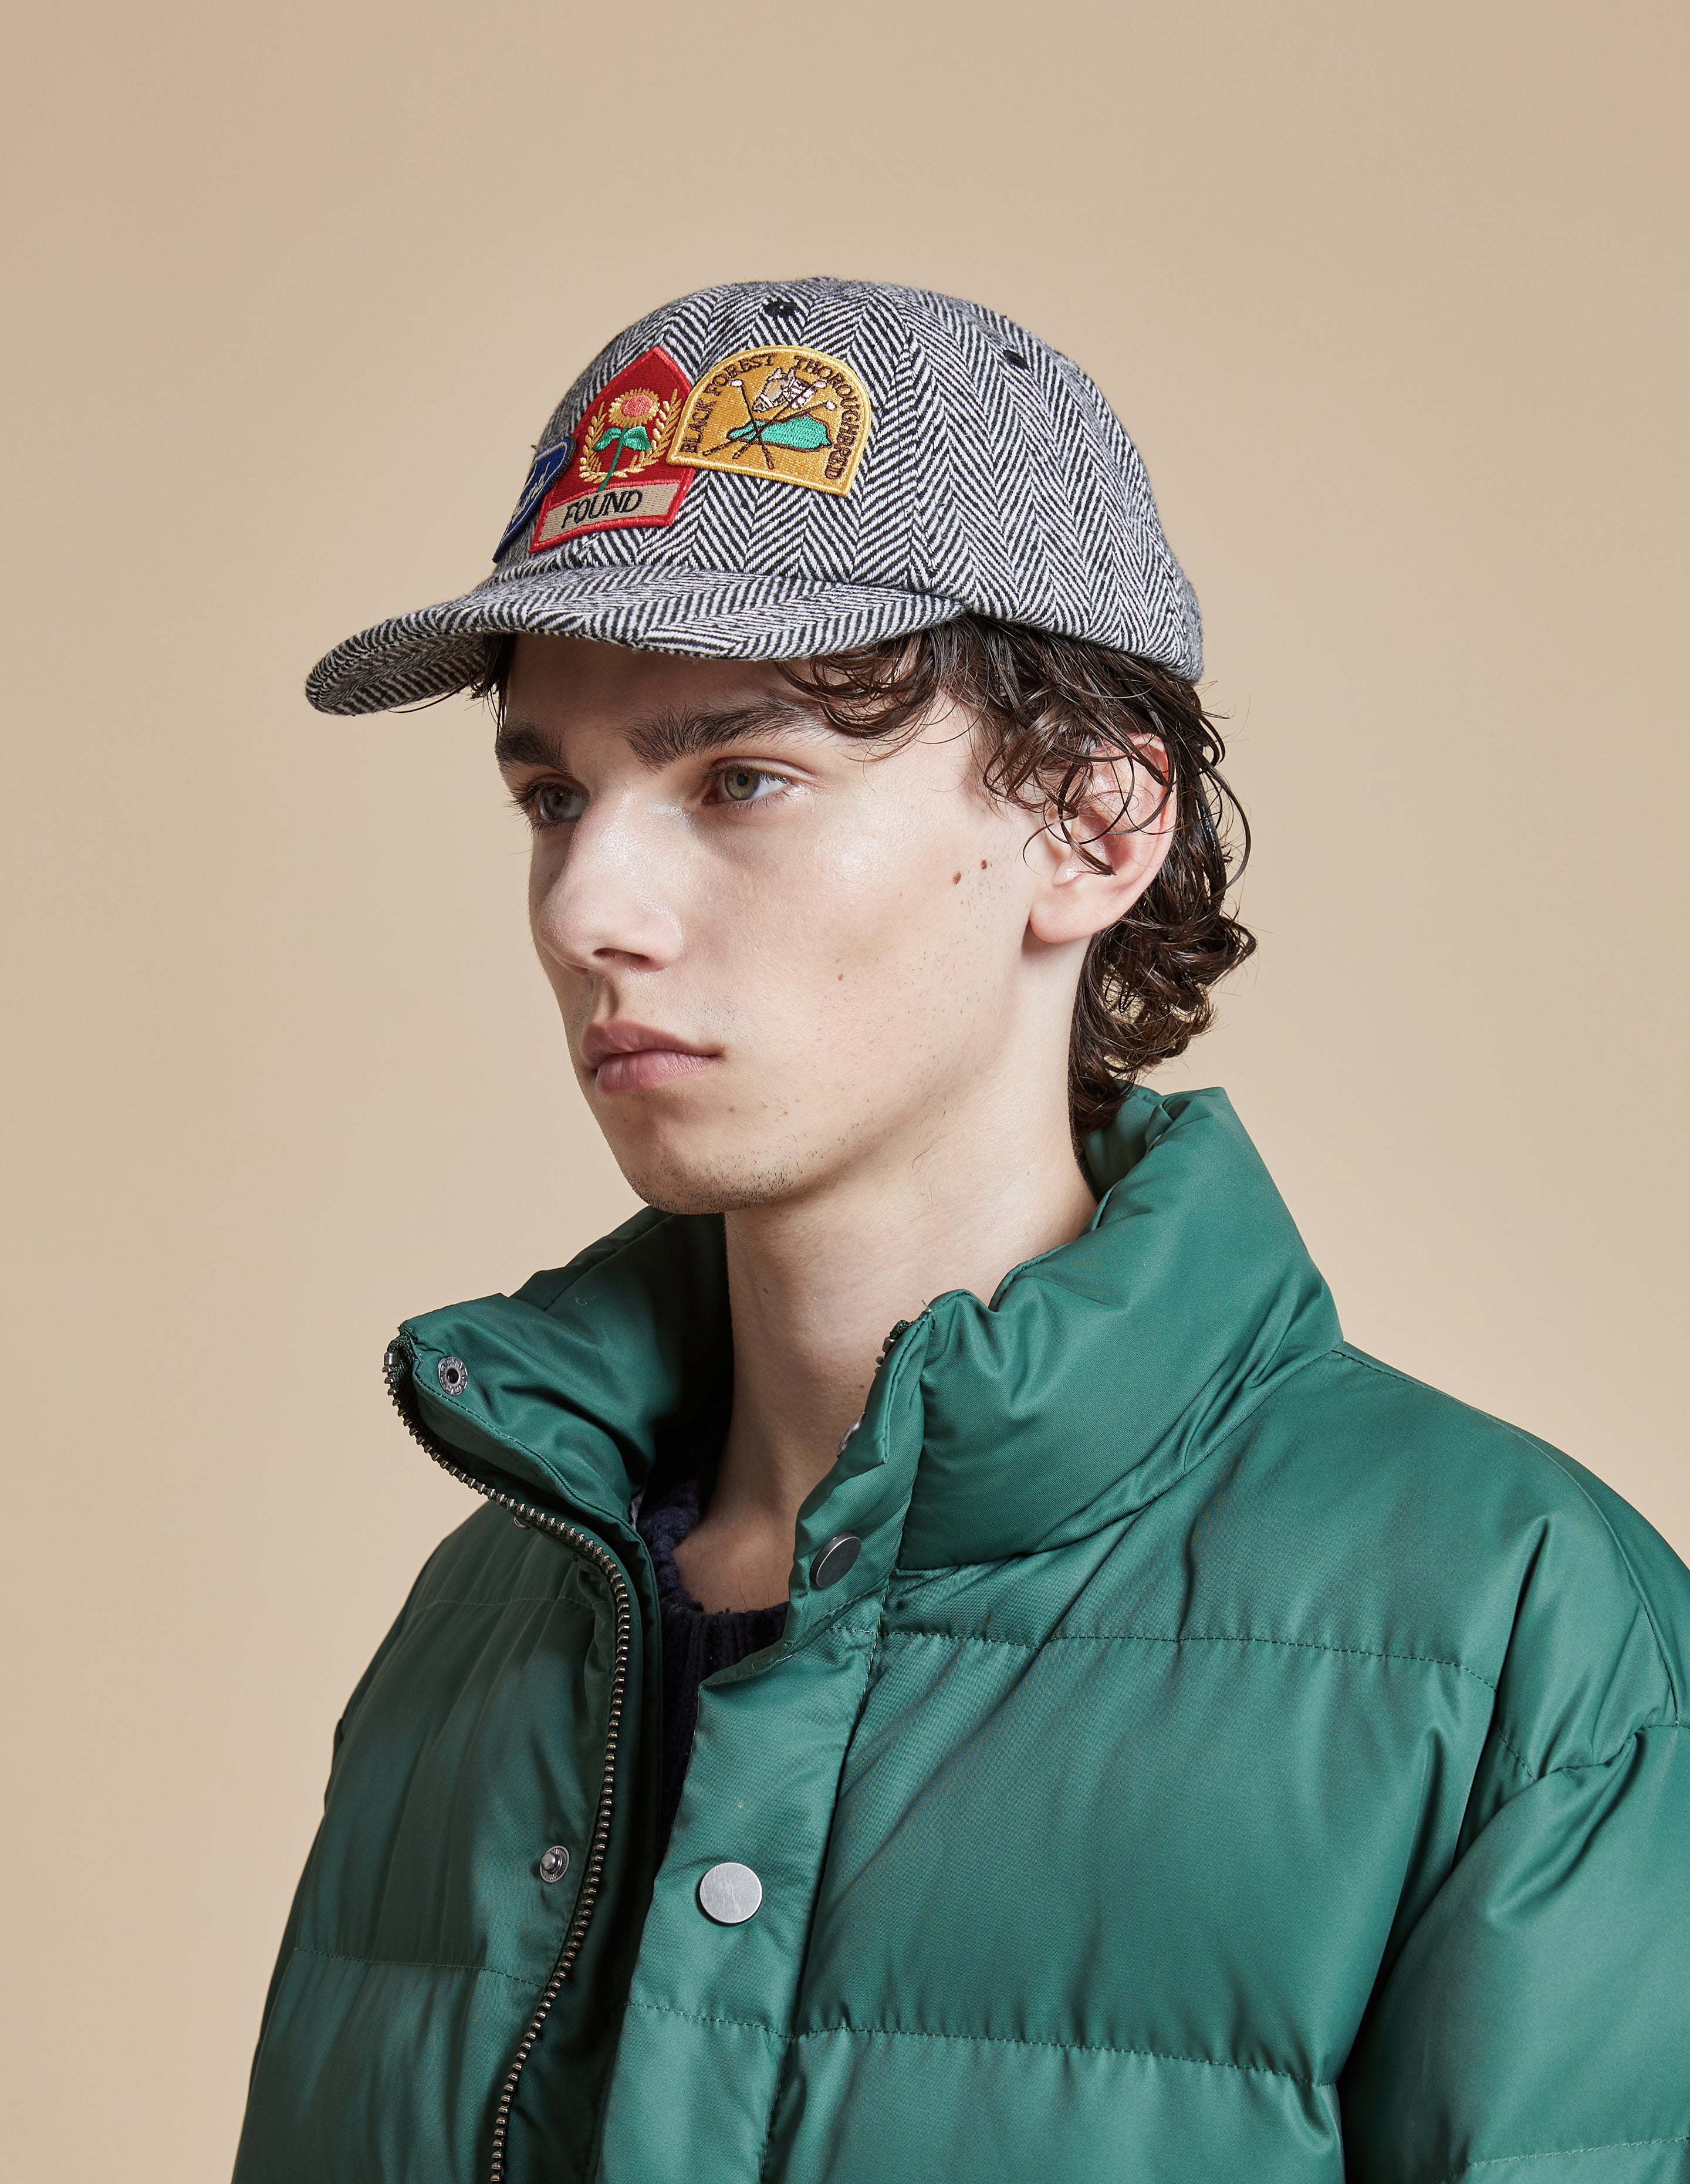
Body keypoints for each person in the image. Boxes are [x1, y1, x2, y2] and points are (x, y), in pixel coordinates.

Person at [234, 280, 1690, 2184]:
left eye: (738, 779)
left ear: (1095, 824)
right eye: (552, 795)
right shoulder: (485, 1626)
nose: (592, 900)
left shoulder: (1519, 1642)